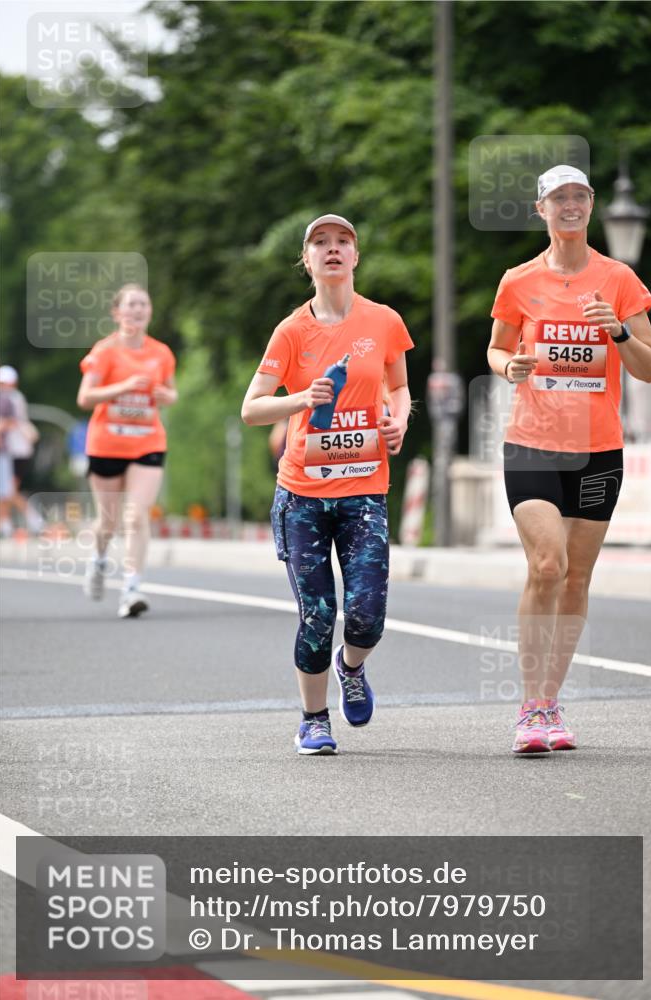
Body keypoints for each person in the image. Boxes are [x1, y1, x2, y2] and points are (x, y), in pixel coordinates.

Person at [487, 165, 651, 754]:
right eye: (559, 197)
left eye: (580, 196)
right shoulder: (517, 281)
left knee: (579, 576)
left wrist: (617, 334)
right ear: (541, 210)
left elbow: (650, 366)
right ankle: (530, 707)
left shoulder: (619, 280)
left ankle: (550, 705)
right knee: (547, 565)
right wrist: (508, 366)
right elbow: (496, 346)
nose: (570, 205)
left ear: (590, 208)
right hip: (532, 441)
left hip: (598, 449)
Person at [242, 214, 413, 755]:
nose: (333, 249)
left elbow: (400, 386)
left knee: (366, 614)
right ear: (307, 259)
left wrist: (399, 421)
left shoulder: (384, 321)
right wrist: (301, 400)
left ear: (356, 257)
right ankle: (313, 719)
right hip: (303, 497)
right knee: (318, 613)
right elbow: (251, 409)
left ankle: (351, 666)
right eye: (321, 243)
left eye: (343, 241)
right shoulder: (292, 331)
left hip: (364, 491)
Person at [77, 284, 177, 618]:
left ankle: (132, 587)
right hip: (106, 442)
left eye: (143, 304)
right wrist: (123, 387)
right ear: (117, 312)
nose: (137, 310)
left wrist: (166, 396)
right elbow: (84, 398)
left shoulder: (161, 353)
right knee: (107, 521)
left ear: (149, 311)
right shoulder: (104, 351)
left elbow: (171, 393)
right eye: (130, 305)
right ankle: (99, 559)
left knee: (136, 516)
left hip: (147, 441)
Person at [0, 365, 44, 533]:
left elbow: (11, 421)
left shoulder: (12, 398)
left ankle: (32, 520)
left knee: (7, 490)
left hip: (16, 451)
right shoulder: (8, 397)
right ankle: (4, 523)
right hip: (11, 451)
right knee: (4, 490)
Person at [0, 366, 17, 537]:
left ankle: (3, 522)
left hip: (1, 450)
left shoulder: (8, 400)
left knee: (4, 489)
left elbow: (12, 421)